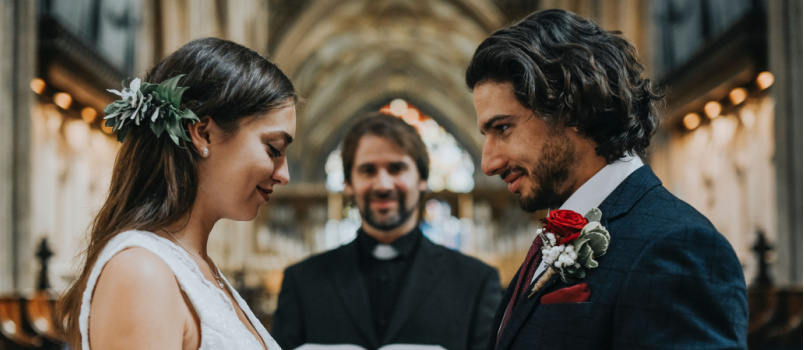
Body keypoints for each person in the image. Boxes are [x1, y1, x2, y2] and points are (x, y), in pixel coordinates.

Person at [465, 9, 748, 350]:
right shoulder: (560, 228)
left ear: (570, 107)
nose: (488, 163)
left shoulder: (677, 247)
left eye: (503, 128)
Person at [57, 37, 298, 350]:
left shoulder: (198, 266)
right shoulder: (141, 272)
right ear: (203, 133)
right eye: (273, 149)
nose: (284, 175)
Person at [272, 113, 502, 350]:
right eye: (368, 170)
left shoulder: (475, 282)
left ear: (422, 179)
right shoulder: (302, 281)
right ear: (348, 184)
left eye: (396, 168)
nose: (383, 185)